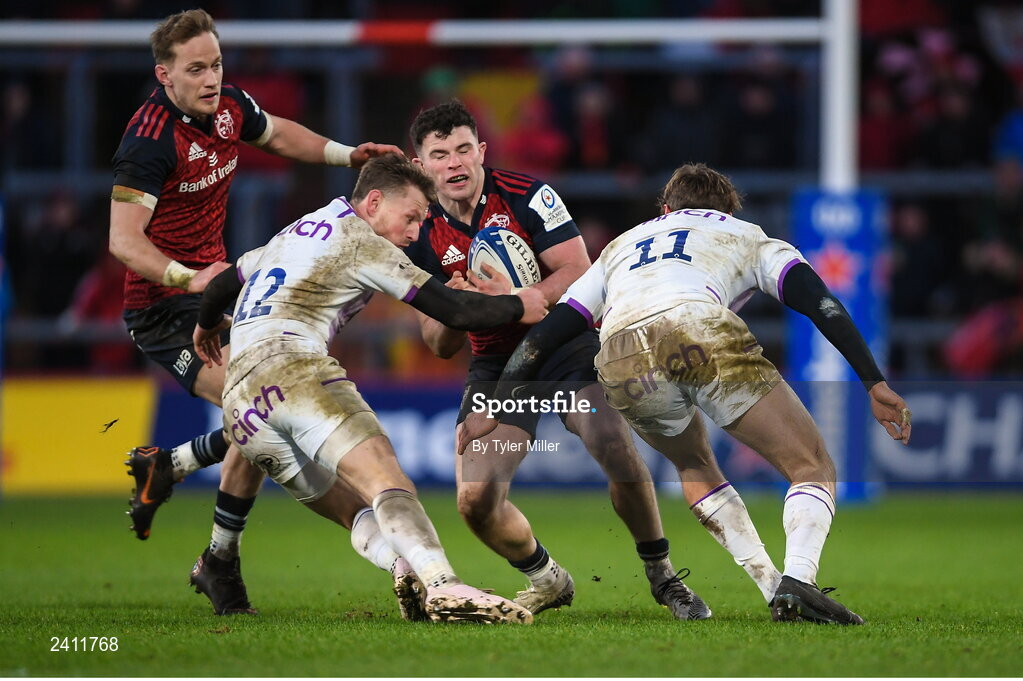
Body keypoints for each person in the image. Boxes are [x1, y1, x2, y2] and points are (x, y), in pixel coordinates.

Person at [459, 163, 914, 625]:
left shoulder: (621, 245)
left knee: (694, 464)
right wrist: (873, 381)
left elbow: (545, 335)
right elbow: (821, 303)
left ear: (665, 209)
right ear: (728, 210)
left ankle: (772, 587)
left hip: (619, 355)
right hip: (695, 327)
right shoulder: (745, 234)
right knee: (811, 465)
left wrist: (496, 404)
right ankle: (798, 580)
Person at [108, 8, 402, 614]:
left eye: (216, 64)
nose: (211, 78)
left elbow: (277, 133)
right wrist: (188, 276)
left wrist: (347, 155)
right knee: (265, 411)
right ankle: (215, 549)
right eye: (196, 69)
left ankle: (187, 494)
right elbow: (123, 240)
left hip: (219, 299)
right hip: (165, 310)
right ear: (165, 75)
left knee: (263, 407)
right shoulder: (148, 140)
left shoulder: (227, 107)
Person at [191, 153, 545, 624]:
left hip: (241, 406)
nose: (416, 231)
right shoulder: (362, 241)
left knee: (356, 510)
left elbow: (221, 285)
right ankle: (443, 584)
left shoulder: (296, 231)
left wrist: (206, 325)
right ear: (374, 202)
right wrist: (518, 304)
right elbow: (455, 312)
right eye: (411, 217)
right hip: (293, 368)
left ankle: (408, 571)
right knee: (389, 483)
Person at [401, 100, 711, 620]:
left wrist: (514, 298)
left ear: (481, 151)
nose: (454, 163)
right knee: (475, 502)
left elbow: (579, 271)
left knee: (609, 439)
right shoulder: (419, 229)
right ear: (420, 165)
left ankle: (663, 576)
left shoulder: (528, 196)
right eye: (439, 155)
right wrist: (456, 307)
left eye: (462, 150)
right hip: (496, 366)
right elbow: (437, 343)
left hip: (563, 345)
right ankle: (548, 578)